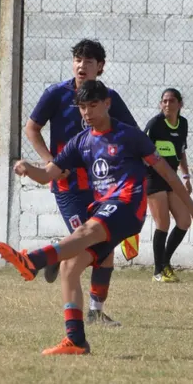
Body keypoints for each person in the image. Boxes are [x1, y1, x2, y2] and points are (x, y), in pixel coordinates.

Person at [0, 80, 193, 355]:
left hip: (127, 206)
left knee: (87, 231)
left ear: (107, 104)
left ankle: (34, 260)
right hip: (103, 209)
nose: (86, 113)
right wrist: (28, 168)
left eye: (92, 106)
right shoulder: (81, 142)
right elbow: (49, 174)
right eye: (82, 107)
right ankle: (76, 339)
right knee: (70, 268)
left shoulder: (130, 136)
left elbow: (168, 174)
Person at [25, 39, 138, 327]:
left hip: (103, 188)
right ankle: (56, 259)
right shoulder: (55, 94)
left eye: (88, 61)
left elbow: (131, 134)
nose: (81, 65)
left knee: (105, 247)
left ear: (100, 67)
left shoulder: (108, 98)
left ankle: (95, 311)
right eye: (77, 59)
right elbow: (32, 128)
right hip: (69, 187)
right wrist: (50, 161)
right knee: (86, 242)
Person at [144, 88, 191, 283]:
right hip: (154, 178)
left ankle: (165, 262)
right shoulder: (155, 125)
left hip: (172, 178)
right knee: (163, 223)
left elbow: (181, 151)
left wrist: (186, 175)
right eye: (164, 101)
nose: (167, 104)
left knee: (184, 221)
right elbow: (141, 150)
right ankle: (158, 271)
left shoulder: (183, 124)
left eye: (172, 101)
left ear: (180, 104)